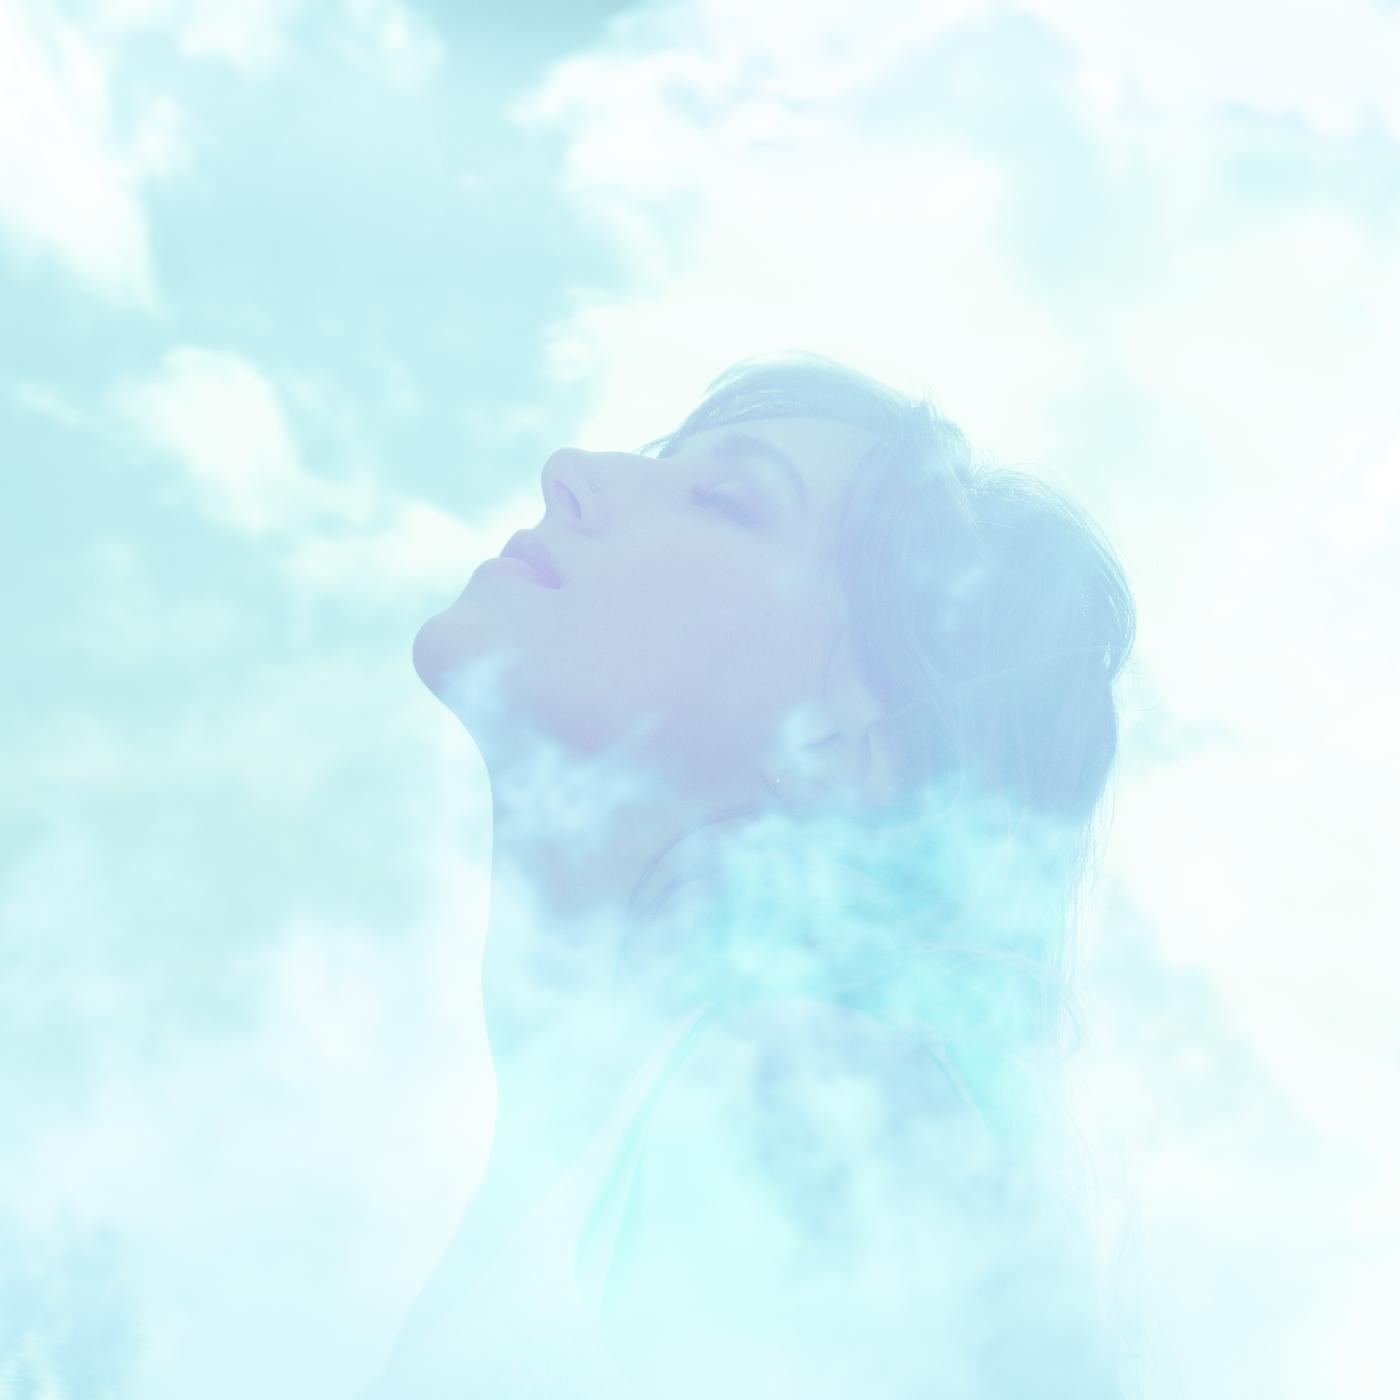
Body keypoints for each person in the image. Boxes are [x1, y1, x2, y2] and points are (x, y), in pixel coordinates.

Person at [367, 351, 1136, 1397]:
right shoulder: (619, 1133)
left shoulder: (806, 1096)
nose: (572, 470)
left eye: (727, 499)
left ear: (844, 751)